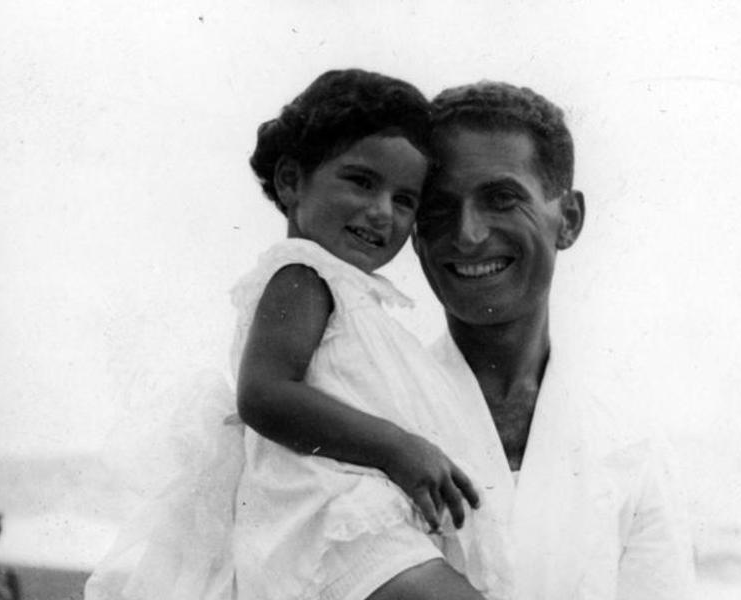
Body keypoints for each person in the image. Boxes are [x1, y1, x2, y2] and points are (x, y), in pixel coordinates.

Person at [85, 69, 513, 600]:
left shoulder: (353, 294)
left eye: (405, 199)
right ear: (291, 181)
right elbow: (264, 394)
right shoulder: (303, 274)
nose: (382, 211)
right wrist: (398, 447)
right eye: (361, 181)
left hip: (362, 516)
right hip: (328, 515)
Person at [410, 81, 696, 599]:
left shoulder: (630, 442)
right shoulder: (374, 414)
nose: (468, 234)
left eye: (501, 199)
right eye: (438, 207)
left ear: (569, 219)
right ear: (414, 232)